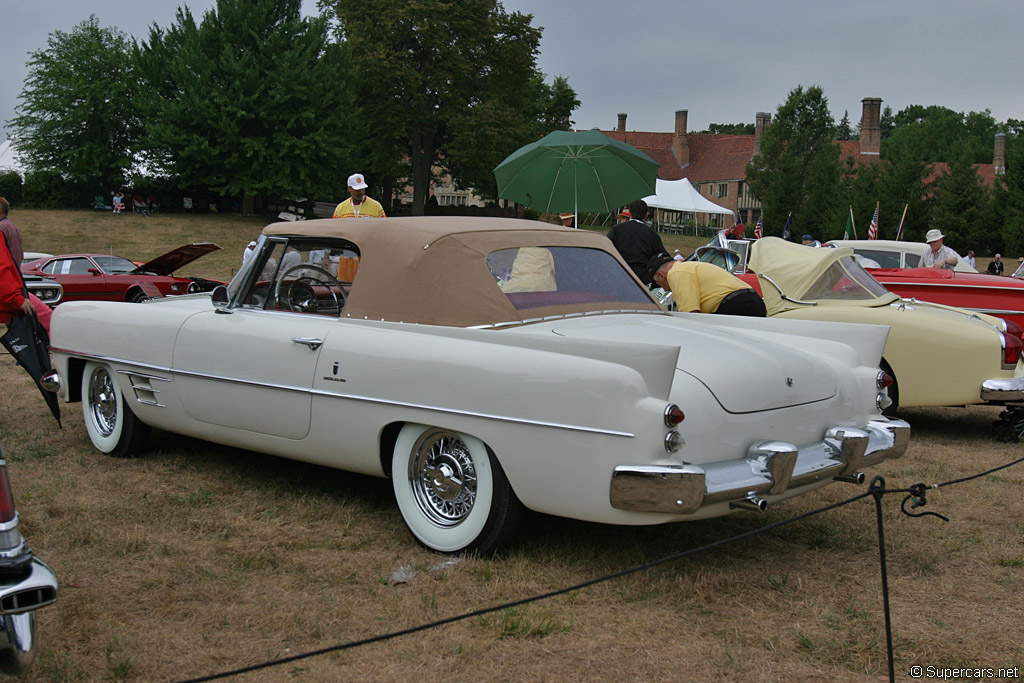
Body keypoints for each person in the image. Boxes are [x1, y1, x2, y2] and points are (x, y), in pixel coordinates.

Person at [647, 254, 766, 316]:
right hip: (754, 301)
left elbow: (691, 315)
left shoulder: (675, 273)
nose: (664, 288)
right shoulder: (691, 267)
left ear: (661, 275)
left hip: (736, 306)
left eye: (659, 285)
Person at [605, 200, 667, 283]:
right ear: (646, 215)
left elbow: (606, 249)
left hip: (620, 273)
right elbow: (663, 257)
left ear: (630, 213)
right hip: (642, 279)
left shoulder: (617, 229)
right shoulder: (652, 234)